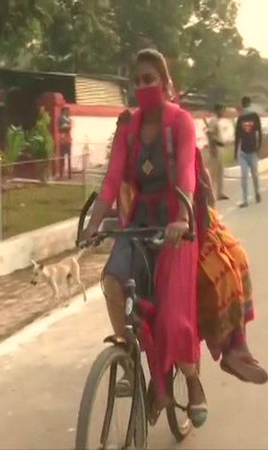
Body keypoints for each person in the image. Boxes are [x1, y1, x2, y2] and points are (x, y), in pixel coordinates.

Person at [80, 48, 207, 427]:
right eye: (136, 81)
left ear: (166, 85)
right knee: (114, 282)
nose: (142, 86)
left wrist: (182, 218)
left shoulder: (180, 123)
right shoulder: (128, 130)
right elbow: (111, 182)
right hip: (139, 221)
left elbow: (185, 172)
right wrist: (92, 224)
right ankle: (128, 359)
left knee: (171, 316)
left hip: (175, 226)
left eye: (150, 79)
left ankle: (192, 380)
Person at [234, 96, 262, 207]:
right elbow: (237, 136)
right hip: (244, 152)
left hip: (252, 151)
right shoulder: (241, 119)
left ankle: (257, 192)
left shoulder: (254, 117)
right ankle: (245, 199)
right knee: (245, 176)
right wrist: (236, 151)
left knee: (254, 174)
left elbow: (259, 132)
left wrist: (258, 147)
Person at [204, 104, 229, 200]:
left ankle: (220, 192)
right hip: (216, 147)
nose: (223, 112)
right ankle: (212, 193)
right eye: (222, 110)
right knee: (214, 172)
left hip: (221, 146)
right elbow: (210, 135)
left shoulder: (221, 122)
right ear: (218, 110)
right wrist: (212, 149)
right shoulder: (213, 121)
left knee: (221, 171)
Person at [58, 106, 72, 178]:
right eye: (67, 111)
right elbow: (61, 128)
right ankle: (61, 173)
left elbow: (69, 127)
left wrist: (67, 127)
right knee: (62, 158)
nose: (69, 113)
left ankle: (69, 174)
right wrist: (67, 127)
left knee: (69, 157)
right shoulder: (61, 119)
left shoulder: (69, 119)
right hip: (63, 140)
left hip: (68, 140)